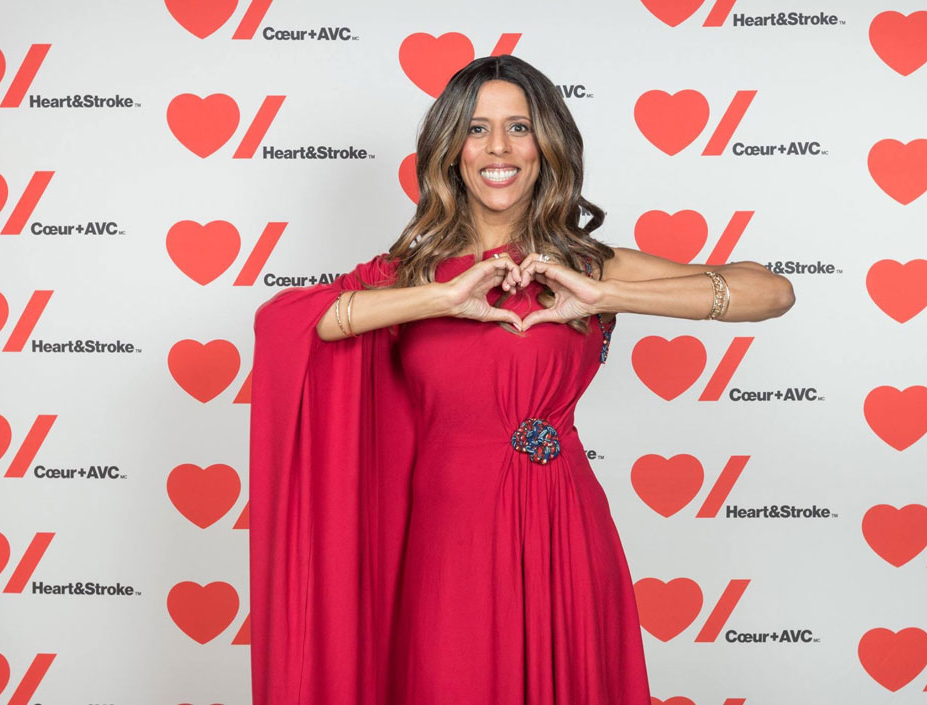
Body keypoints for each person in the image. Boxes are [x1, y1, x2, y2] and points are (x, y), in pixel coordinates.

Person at [249, 55, 794, 705]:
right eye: (477, 130)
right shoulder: (411, 272)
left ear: (546, 145)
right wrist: (441, 299)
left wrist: (603, 291)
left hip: (562, 529)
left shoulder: (590, 263)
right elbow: (295, 326)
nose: (498, 147)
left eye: (518, 127)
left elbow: (769, 291)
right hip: (445, 541)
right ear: (451, 151)